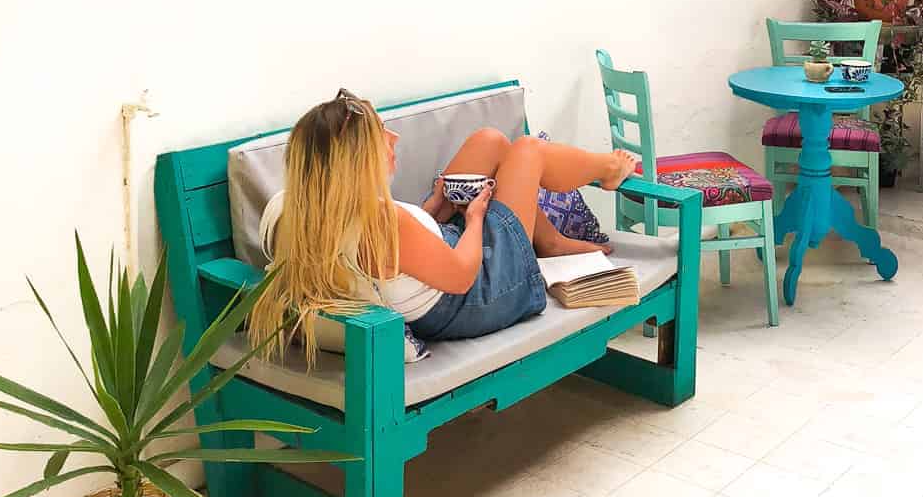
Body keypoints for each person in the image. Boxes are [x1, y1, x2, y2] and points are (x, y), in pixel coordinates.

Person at [249, 87, 638, 359]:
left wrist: (432, 208)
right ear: (357, 161)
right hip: (481, 291)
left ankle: (547, 239)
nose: (393, 137)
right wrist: (475, 218)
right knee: (527, 150)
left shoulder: (308, 211)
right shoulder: (385, 224)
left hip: (444, 264)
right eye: (381, 133)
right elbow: (462, 276)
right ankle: (609, 169)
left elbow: (400, 265)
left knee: (489, 142)